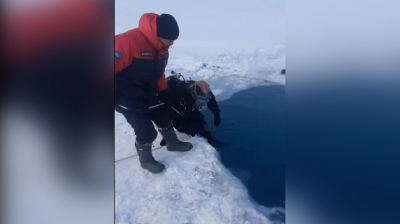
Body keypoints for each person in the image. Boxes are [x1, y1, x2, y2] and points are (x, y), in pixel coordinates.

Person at [114, 13, 193, 173]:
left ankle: (172, 143)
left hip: (147, 91)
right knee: (146, 131)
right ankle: (146, 160)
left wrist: (163, 91)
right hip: (124, 95)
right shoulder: (126, 42)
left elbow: (159, 72)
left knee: (164, 115)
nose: (172, 43)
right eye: (169, 39)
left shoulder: (163, 48)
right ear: (158, 35)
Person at [159, 71, 221, 145]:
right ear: (194, 94)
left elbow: (211, 98)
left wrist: (216, 113)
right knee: (200, 131)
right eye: (201, 99)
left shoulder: (200, 88)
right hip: (177, 117)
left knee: (208, 130)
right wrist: (167, 134)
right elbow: (164, 112)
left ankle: (211, 142)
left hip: (190, 111)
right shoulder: (177, 94)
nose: (202, 101)